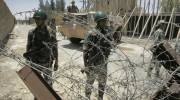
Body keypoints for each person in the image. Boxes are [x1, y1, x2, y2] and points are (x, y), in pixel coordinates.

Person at [82, 11, 121, 100]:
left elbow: (111, 44)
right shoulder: (91, 33)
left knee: (102, 83)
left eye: (105, 21)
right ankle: (87, 97)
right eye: (102, 21)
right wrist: (86, 66)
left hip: (103, 63)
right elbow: (85, 51)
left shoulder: (106, 33)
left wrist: (112, 44)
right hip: (93, 63)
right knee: (89, 83)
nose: (105, 23)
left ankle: (100, 97)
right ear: (98, 22)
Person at [23, 11, 58, 100]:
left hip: (47, 63)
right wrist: (28, 60)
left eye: (39, 19)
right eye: (35, 19)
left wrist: (56, 62)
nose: (36, 21)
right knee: (37, 85)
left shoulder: (51, 32)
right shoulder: (31, 32)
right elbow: (28, 46)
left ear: (44, 20)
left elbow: (55, 48)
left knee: (49, 85)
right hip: (35, 63)